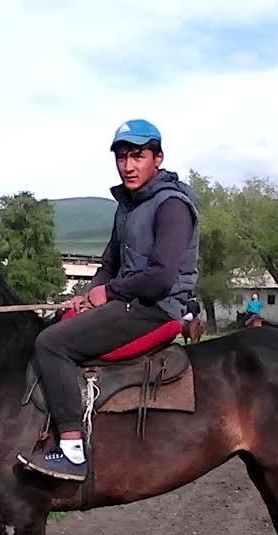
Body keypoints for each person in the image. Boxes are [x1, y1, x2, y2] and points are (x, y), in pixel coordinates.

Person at [18, 119, 201, 480]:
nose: (128, 166)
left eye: (137, 156)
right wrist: (89, 294)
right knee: (59, 324)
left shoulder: (172, 206)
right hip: (131, 303)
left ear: (157, 158)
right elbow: (109, 264)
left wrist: (111, 292)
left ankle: (73, 450)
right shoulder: (128, 207)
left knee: (51, 343)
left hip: (157, 309)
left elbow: (161, 278)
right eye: (122, 157)